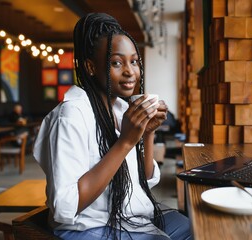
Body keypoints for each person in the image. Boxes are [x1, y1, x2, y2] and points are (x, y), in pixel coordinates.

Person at [33, 13, 192, 240]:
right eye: (116, 62)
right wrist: (126, 142)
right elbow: (66, 206)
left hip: (125, 218)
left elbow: (145, 180)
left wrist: (147, 133)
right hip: (87, 228)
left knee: (193, 226)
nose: (130, 71)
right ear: (90, 67)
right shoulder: (71, 115)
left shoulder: (119, 108)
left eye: (134, 61)